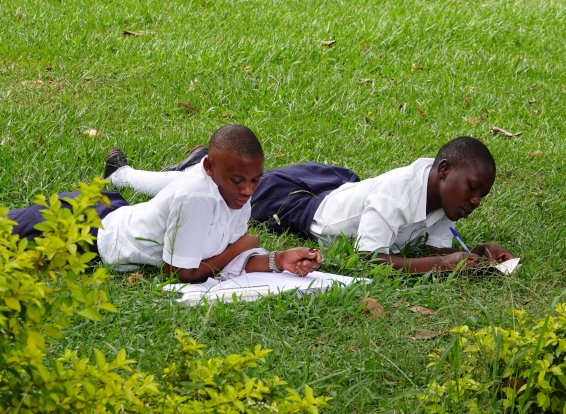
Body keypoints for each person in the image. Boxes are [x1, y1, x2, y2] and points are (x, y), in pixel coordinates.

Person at [103, 136, 514, 273]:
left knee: (248, 180)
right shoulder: (396, 194)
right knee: (214, 187)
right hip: (302, 206)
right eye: (472, 189)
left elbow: (432, 246)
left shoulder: (442, 198)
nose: (475, 201)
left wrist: (473, 255)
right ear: (443, 170)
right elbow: (373, 260)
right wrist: (445, 264)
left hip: (343, 185)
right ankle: (124, 175)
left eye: (482, 196)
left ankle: (200, 164)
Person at [7, 125, 322, 283]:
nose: (247, 190)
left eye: (255, 180)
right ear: (209, 168)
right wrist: (243, 246)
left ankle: (122, 175)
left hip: (111, 210)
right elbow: (180, 272)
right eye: (238, 180)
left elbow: (220, 258)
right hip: (79, 231)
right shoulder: (196, 198)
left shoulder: (237, 198)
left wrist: (278, 260)